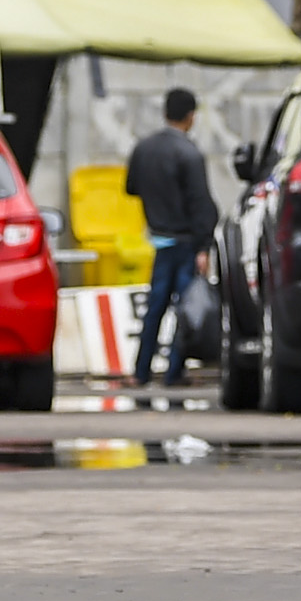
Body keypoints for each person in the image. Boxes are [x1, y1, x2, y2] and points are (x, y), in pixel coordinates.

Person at [125, 88, 219, 394]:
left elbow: (131, 187)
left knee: (155, 307)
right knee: (186, 310)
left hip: (160, 241)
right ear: (190, 116)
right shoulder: (189, 154)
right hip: (186, 243)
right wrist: (204, 246)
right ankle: (173, 371)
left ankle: (140, 372)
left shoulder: (143, 149)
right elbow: (201, 203)